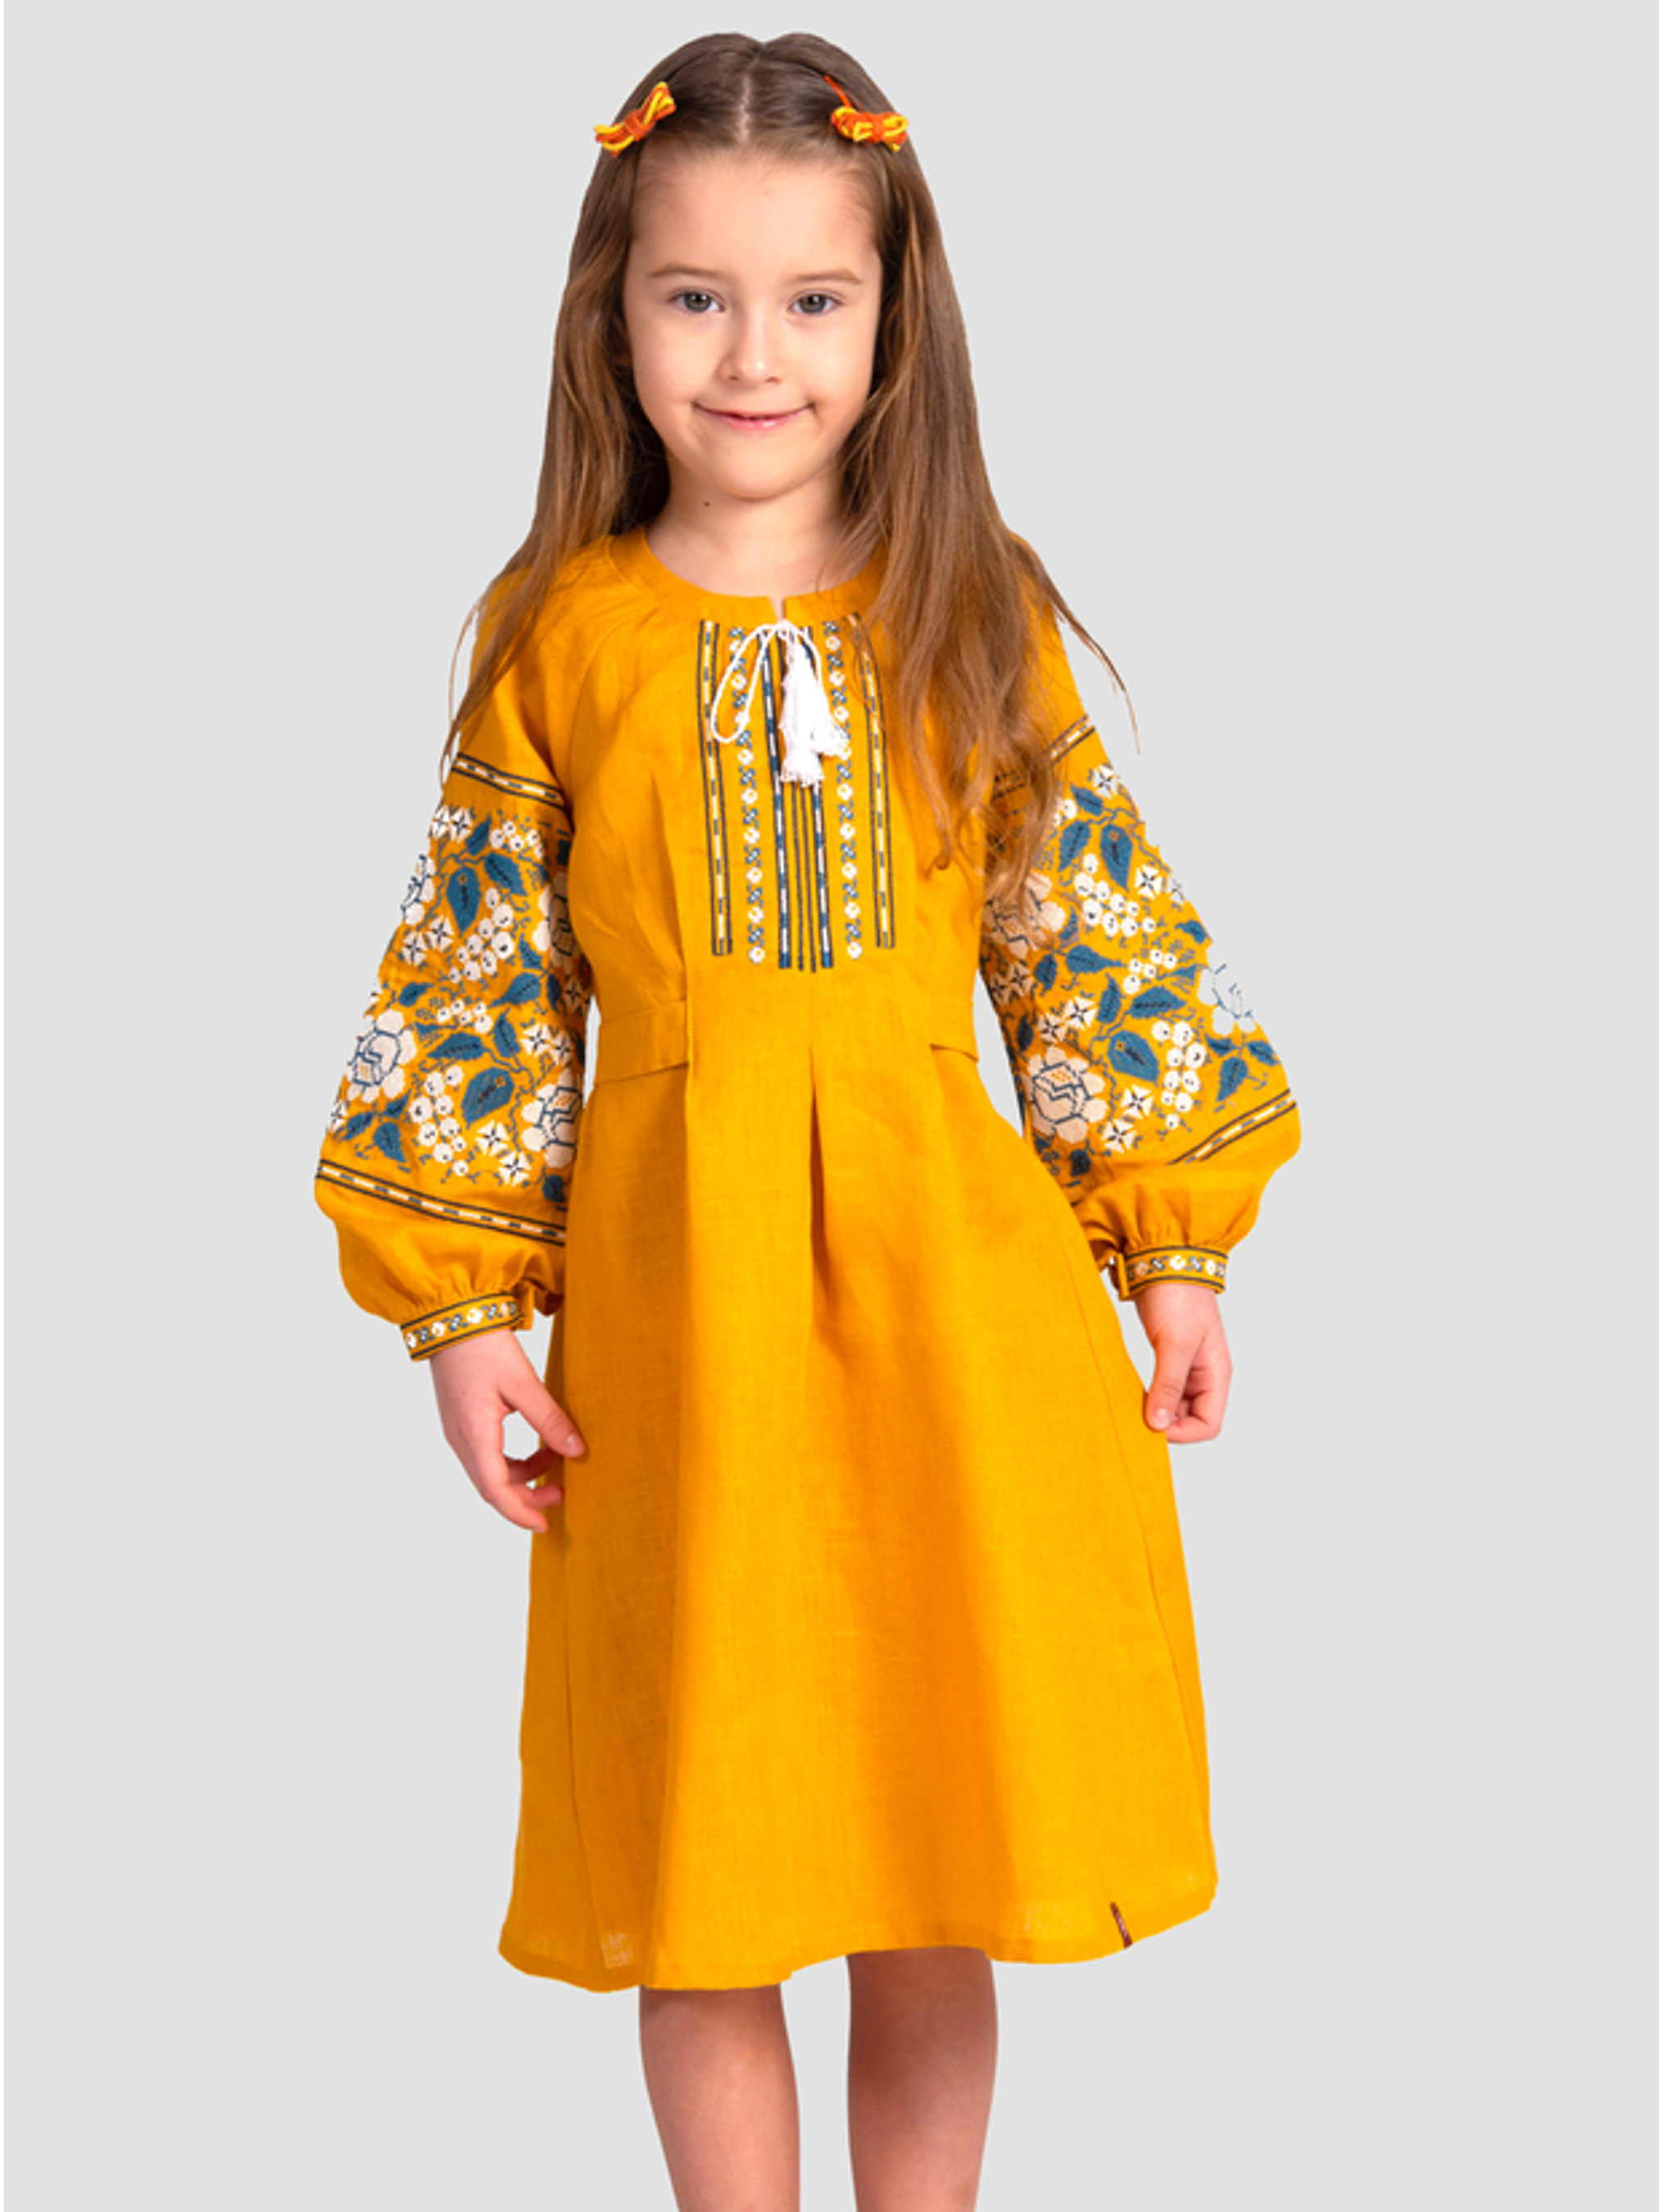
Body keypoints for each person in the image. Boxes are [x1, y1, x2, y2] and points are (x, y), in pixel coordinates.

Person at [316, 29, 1299, 2209]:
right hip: (684, 1340)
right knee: (711, 1858)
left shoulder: (972, 607)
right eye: (695, 295)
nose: (751, 355)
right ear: (613, 312)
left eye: (810, 299)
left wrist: (1175, 1247)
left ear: (892, 316)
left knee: (933, 1852)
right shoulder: (557, 638)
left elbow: (1093, 941)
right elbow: (476, 986)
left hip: (961, 1322)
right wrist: (462, 1313)